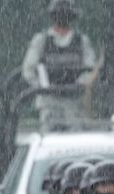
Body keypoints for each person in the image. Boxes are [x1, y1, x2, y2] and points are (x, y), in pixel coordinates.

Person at [21, 0, 97, 131]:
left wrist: (78, 85)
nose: (62, 17)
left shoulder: (82, 41)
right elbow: (28, 70)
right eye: (59, 14)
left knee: (74, 143)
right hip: (49, 102)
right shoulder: (41, 40)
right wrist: (42, 87)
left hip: (74, 103)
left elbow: (90, 69)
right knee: (50, 141)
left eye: (65, 13)